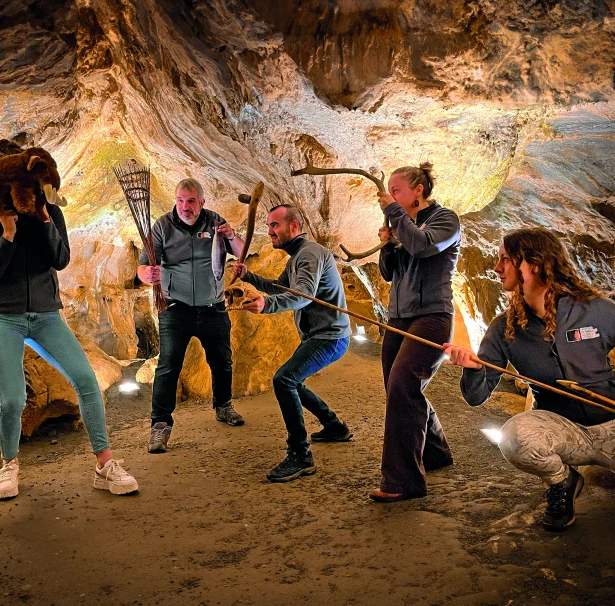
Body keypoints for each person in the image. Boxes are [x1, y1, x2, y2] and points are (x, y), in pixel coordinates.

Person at [0, 141, 138, 500]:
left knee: (86, 381)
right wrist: (7, 233)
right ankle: (8, 466)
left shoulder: (49, 211)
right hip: (2, 317)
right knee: (13, 399)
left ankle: (105, 464)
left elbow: (61, 260)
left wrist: (46, 221)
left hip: (47, 316)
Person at [445, 227, 615, 532]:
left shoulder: (595, 311)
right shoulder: (504, 329)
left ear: (534, 263)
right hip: (562, 433)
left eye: (505, 260)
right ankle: (563, 481)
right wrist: (471, 368)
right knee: (515, 436)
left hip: (612, 423)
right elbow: (476, 396)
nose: (497, 268)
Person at [231, 204, 352, 482]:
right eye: (269, 225)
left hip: (329, 337)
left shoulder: (309, 254)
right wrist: (249, 277)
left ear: (294, 227)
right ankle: (334, 427)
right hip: (320, 336)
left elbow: (304, 295)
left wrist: (266, 305)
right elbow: (281, 287)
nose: (270, 231)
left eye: (275, 225)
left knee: (284, 380)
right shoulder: (298, 256)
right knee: (292, 381)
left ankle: (300, 455)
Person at [372, 162, 461, 502]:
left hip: (432, 315)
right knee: (399, 388)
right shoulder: (403, 226)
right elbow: (387, 273)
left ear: (418, 191)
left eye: (396, 190)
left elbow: (424, 246)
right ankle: (435, 452)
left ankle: (403, 481)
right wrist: (388, 246)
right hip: (399, 316)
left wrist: (394, 214)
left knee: (403, 384)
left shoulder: (445, 219)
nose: (390, 196)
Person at [138, 178, 245, 453]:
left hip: (213, 305)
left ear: (202, 202)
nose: (185, 207)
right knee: (168, 366)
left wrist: (231, 235)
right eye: (181, 200)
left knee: (222, 361)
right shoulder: (162, 226)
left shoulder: (214, 222)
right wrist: (146, 275)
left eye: (191, 201)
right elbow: (143, 266)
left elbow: (240, 252)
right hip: (176, 307)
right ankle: (160, 425)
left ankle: (224, 406)